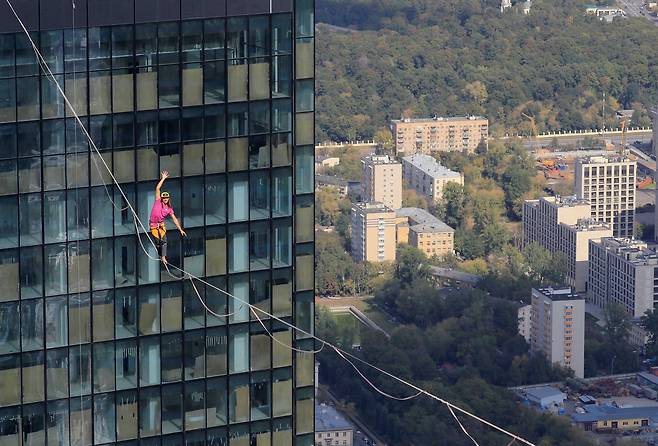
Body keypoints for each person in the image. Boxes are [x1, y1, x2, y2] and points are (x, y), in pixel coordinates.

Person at [149, 171, 186, 263]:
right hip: (153, 225)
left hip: (161, 225)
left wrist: (180, 229)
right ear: (162, 198)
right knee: (158, 242)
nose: (165, 199)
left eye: (166, 198)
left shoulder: (169, 208)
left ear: (168, 199)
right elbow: (158, 188)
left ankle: (163, 257)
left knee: (164, 241)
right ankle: (161, 255)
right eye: (164, 198)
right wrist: (163, 178)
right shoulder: (158, 201)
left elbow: (174, 219)